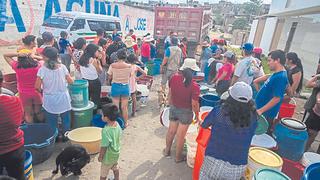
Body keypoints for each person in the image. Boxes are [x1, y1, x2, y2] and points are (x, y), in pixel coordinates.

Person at [200, 82, 257, 180]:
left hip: (213, 160)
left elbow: (204, 125)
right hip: (237, 167)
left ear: (230, 97)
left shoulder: (219, 111)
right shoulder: (253, 118)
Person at [163, 58, 200, 162]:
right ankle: (178, 158)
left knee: (171, 131)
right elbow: (194, 104)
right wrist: (197, 115)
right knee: (180, 136)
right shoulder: (194, 86)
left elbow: (170, 93)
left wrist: (169, 105)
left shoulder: (174, 78)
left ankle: (167, 151)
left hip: (174, 107)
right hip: (186, 112)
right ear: (193, 71)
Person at [35, 47, 73, 141]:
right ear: (57, 57)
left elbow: (37, 86)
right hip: (63, 97)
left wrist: (42, 90)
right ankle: (66, 137)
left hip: (50, 98)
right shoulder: (62, 67)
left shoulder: (42, 70)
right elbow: (71, 81)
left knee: (51, 120)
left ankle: (54, 138)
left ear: (45, 58)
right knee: (65, 119)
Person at [254, 50, 289, 133]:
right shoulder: (276, 74)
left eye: (269, 60)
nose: (268, 63)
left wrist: (260, 111)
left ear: (277, 60)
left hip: (266, 114)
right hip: (262, 111)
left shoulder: (280, 77)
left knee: (261, 135)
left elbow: (277, 98)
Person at [3, 52, 43, 123]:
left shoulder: (17, 66)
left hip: (24, 93)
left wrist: (18, 54)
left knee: (28, 113)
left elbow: (5, 55)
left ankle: (31, 129)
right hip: (36, 92)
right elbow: (44, 59)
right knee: (38, 112)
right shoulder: (37, 66)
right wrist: (33, 56)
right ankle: (42, 126)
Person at [0, 70, 25, 180]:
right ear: (2, 82)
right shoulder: (14, 100)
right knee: (18, 176)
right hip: (14, 148)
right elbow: (20, 121)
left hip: (11, 147)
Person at [107, 49, 132, 127]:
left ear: (117, 56)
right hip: (125, 87)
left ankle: (115, 124)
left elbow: (109, 76)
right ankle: (126, 123)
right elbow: (130, 75)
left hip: (115, 87)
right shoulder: (129, 66)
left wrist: (109, 81)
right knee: (124, 107)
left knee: (116, 107)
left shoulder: (112, 65)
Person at [98, 103, 122, 180]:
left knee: (103, 173)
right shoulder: (117, 124)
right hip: (116, 153)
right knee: (115, 167)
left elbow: (104, 146)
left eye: (102, 115)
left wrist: (100, 156)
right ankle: (116, 178)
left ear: (106, 118)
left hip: (108, 157)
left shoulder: (106, 130)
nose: (101, 116)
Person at [79, 44, 103, 110]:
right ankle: (94, 114)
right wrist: (98, 62)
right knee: (95, 100)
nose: (98, 52)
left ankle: (87, 113)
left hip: (84, 81)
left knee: (86, 99)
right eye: (97, 51)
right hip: (94, 82)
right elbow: (100, 71)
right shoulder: (93, 60)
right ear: (93, 51)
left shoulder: (82, 57)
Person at [304, 61, 320, 153]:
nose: (318, 65)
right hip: (314, 108)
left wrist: (317, 77)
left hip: (315, 109)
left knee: (310, 132)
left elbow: (307, 84)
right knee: (312, 132)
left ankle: (304, 150)